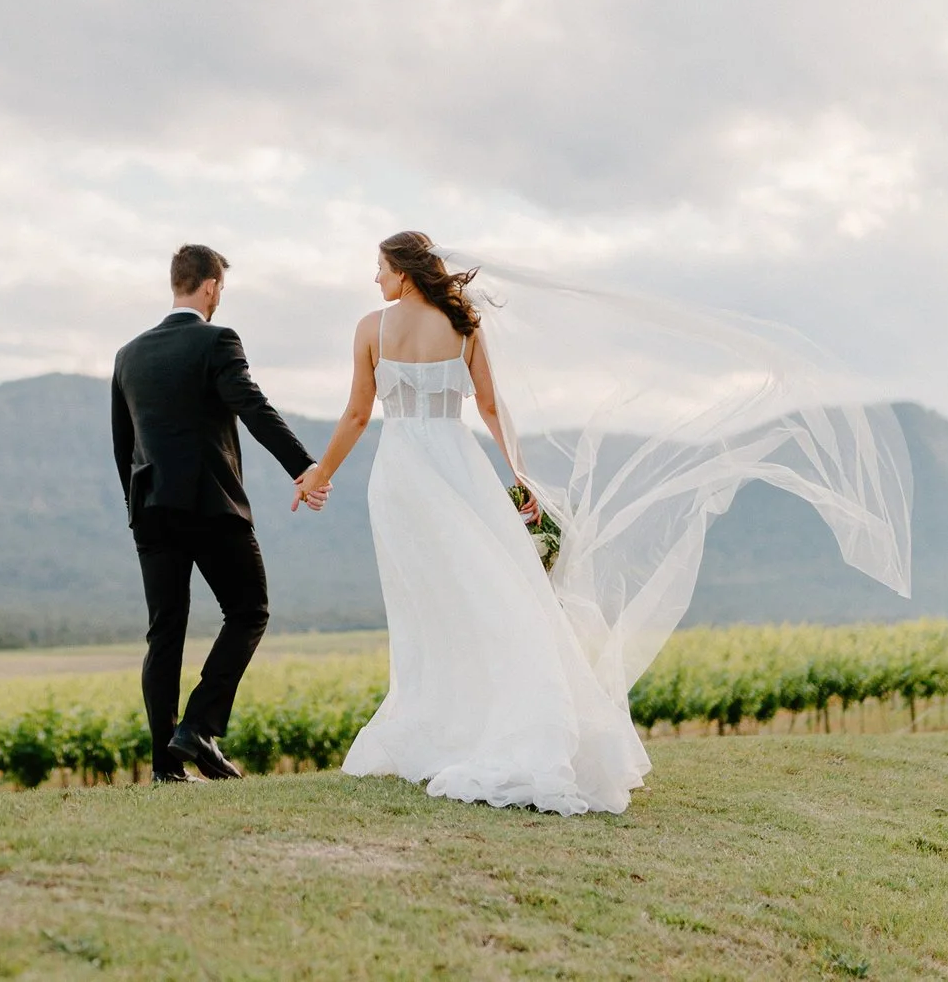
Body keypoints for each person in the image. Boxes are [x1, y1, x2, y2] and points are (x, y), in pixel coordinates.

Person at [295, 232, 650, 813]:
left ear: (404, 274)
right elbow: (489, 406)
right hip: (459, 466)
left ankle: (443, 728)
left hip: (401, 474)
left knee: (424, 603)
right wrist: (520, 478)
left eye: (381, 269)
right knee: (489, 591)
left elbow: (359, 412)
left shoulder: (369, 328)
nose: (376, 280)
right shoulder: (464, 326)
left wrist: (321, 474)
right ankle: (488, 720)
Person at [111, 243, 323, 782]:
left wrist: (137, 510)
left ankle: (165, 767)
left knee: (165, 635)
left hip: (151, 508)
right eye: (220, 288)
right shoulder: (217, 340)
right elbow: (253, 408)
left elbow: (123, 444)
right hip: (210, 505)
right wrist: (305, 467)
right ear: (210, 286)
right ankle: (198, 726)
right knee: (250, 610)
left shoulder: (128, 354)